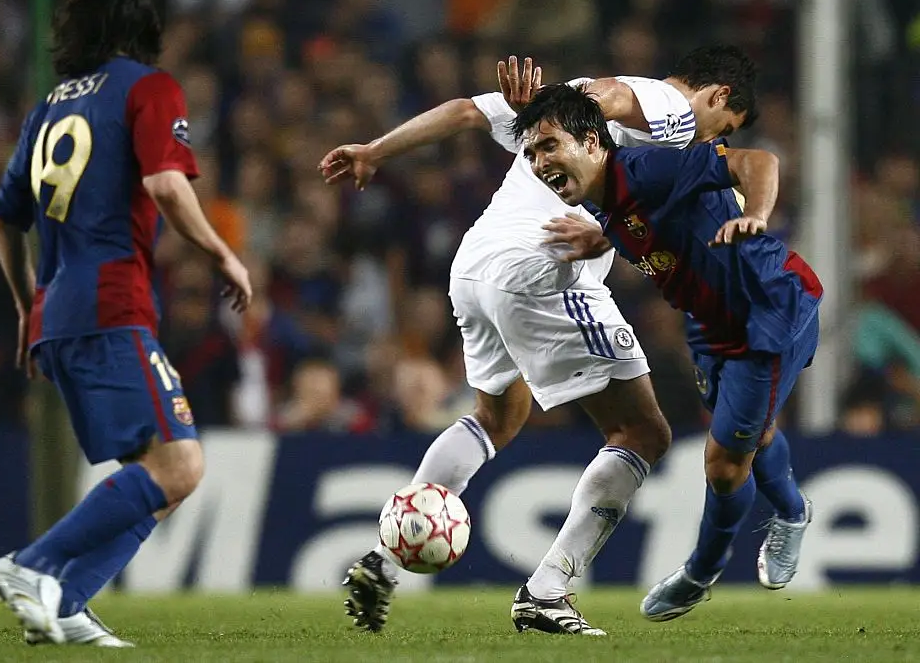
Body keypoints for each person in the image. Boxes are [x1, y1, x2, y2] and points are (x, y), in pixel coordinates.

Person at [320, 47, 757, 634]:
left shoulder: (551, 109)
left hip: (474, 268)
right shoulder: (670, 106)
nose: (714, 140)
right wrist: (577, 114)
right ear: (718, 96)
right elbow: (614, 97)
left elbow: (464, 112)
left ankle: (385, 561)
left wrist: (377, 150)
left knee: (498, 417)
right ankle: (548, 590)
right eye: (723, 130)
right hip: (542, 266)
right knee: (643, 432)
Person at [0, 0, 252, 647]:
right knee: (181, 464)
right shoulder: (149, 87)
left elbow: (2, 220)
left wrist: (24, 307)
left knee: (158, 474)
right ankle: (32, 567)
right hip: (112, 304)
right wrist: (221, 252)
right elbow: (165, 183)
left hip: (57, 316)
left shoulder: (49, 107)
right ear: (144, 26)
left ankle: (66, 604)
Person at [518, 83, 820, 622]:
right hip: (712, 326)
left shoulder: (646, 169)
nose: (541, 163)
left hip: (765, 314)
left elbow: (758, 161)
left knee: (724, 465)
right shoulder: (601, 197)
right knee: (758, 433)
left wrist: (759, 215)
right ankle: (794, 512)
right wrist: (602, 237)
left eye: (549, 146)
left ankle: (700, 571)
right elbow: (643, 218)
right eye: (532, 154)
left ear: (593, 143)